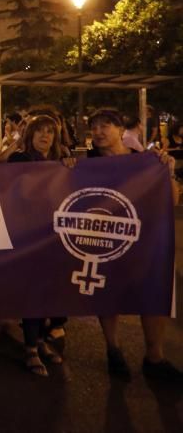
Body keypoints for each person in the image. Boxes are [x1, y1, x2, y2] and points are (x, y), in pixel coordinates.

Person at [85, 108, 181, 381]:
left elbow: (171, 201)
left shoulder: (146, 162)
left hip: (145, 239)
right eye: (94, 127)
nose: (99, 132)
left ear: (120, 130)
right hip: (106, 239)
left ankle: (154, 356)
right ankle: (113, 350)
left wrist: (168, 171)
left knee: (152, 293)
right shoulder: (86, 163)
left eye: (106, 126)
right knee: (108, 294)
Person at [6, 114, 74, 376]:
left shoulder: (61, 161)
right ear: (30, 135)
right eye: (39, 132)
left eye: (50, 132)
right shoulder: (20, 159)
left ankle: (42, 340)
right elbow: (4, 168)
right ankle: (31, 347)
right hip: (27, 235)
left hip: (56, 235)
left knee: (50, 291)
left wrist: (68, 165)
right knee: (33, 291)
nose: (45, 136)